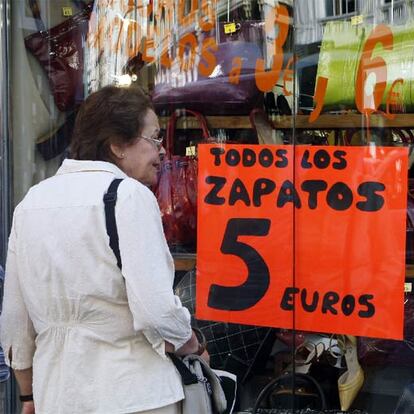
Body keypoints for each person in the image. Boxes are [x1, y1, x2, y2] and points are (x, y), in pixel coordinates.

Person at [0, 85, 205, 414]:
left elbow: (15, 323)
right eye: (153, 139)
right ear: (118, 146)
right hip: (134, 394)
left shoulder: (30, 204)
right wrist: (191, 344)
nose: (162, 151)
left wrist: (28, 395)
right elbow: (156, 310)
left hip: (58, 396)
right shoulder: (128, 196)